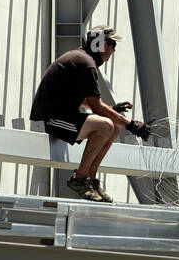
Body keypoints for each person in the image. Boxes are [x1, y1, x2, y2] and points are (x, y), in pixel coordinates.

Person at [29, 25, 150, 202]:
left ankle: (91, 180)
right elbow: (96, 107)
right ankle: (79, 179)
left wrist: (113, 111)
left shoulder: (82, 59)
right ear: (101, 45)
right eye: (112, 44)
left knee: (113, 127)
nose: (114, 49)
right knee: (106, 125)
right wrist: (131, 124)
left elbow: (86, 100)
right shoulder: (86, 64)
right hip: (50, 120)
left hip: (62, 116)